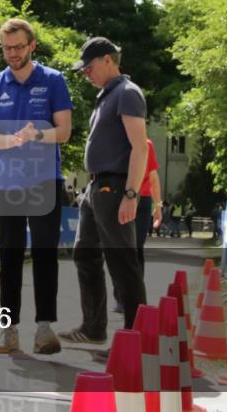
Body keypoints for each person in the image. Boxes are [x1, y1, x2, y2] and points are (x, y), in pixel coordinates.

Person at [0, 18, 72, 355]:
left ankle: (45, 329)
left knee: (46, 255)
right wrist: (9, 141)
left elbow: (64, 131)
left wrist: (36, 135)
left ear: (32, 45)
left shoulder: (53, 80)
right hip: (6, 185)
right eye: (7, 48)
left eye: (19, 47)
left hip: (46, 181)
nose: (13, 53)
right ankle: (9, 331)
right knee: (9, 259)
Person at [59, 37, 147, 347]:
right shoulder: (106, 95)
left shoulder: (127, 93)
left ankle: (136, 340)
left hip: (115, 186)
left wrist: (132, 194)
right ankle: (94, 327)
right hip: (96, 187)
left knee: (122, 263)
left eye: (89, 67)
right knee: (85, 254)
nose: (86, 74)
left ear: (109, 60)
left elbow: (140, 148)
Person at [114, 138, 161, 312]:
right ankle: (121, 297)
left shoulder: (147, 144)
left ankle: (135, 297)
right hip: (123, 197)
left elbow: (153, 176)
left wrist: (158, 206)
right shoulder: (118, 142)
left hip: (142, 200)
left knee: (134, 248)